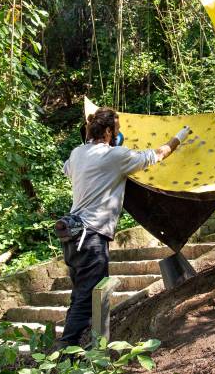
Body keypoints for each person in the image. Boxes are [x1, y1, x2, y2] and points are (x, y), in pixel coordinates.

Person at [57, 107, 190, 347]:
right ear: (108, 132)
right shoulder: (115, 157)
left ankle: (74, 350)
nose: (119, 134)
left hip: (72, 235)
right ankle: (70, 351)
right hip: (91, 236)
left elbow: (67, 169)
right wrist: (179, 137)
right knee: (89, 298)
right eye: (117, 129)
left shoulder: (77, 153)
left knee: (79, 296)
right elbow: (156, 155)